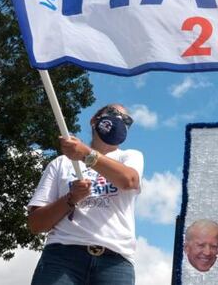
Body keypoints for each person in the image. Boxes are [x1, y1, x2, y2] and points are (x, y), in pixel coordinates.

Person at [27, 104, 143, 285]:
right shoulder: (60, 163)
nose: (119, 119)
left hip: (115, 262)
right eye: (113, 113)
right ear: (94, 120)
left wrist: (85, 155)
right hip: (62, 257)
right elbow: (36, 224)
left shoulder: (130, 157)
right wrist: (70, 198)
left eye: (126, 119)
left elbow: (129, 180)